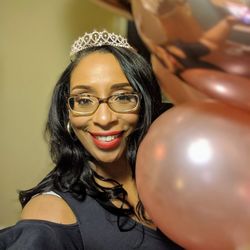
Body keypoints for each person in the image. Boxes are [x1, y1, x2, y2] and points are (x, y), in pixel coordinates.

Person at [0, 30, 182, 249]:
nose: (104, 119)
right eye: (84, 100)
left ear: (145, 105)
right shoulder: (51, 215)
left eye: (123, 97)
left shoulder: (175, 184)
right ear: (67, 112)